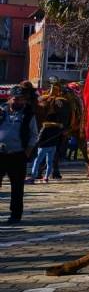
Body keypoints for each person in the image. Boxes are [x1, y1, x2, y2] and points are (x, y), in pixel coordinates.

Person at [0, 85, 38, 223]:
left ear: (25, 100)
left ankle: (15, 215)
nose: (17, 102)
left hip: (17, 155)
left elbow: (34, 135)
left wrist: (27, 152)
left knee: (17, 187)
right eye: (15, 99)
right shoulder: (1, 111)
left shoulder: (28, 115)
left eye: (20, 100)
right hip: (0, 153)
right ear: (10, 98)